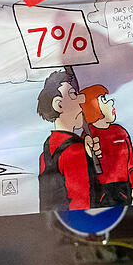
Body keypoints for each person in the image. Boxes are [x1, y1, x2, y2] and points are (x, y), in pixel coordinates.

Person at [36, 71, 100, 212]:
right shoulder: (73, 151)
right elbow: (82, 202)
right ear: (58, 105)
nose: (81, 100)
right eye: (73, 95)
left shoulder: (45, 153)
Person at [79, 84, 133, 207]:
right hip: (100, 190)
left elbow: (130, 163)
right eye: (103, 99)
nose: (111, 102)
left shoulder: (121, 132)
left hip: (123, 188)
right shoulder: (87, 137)